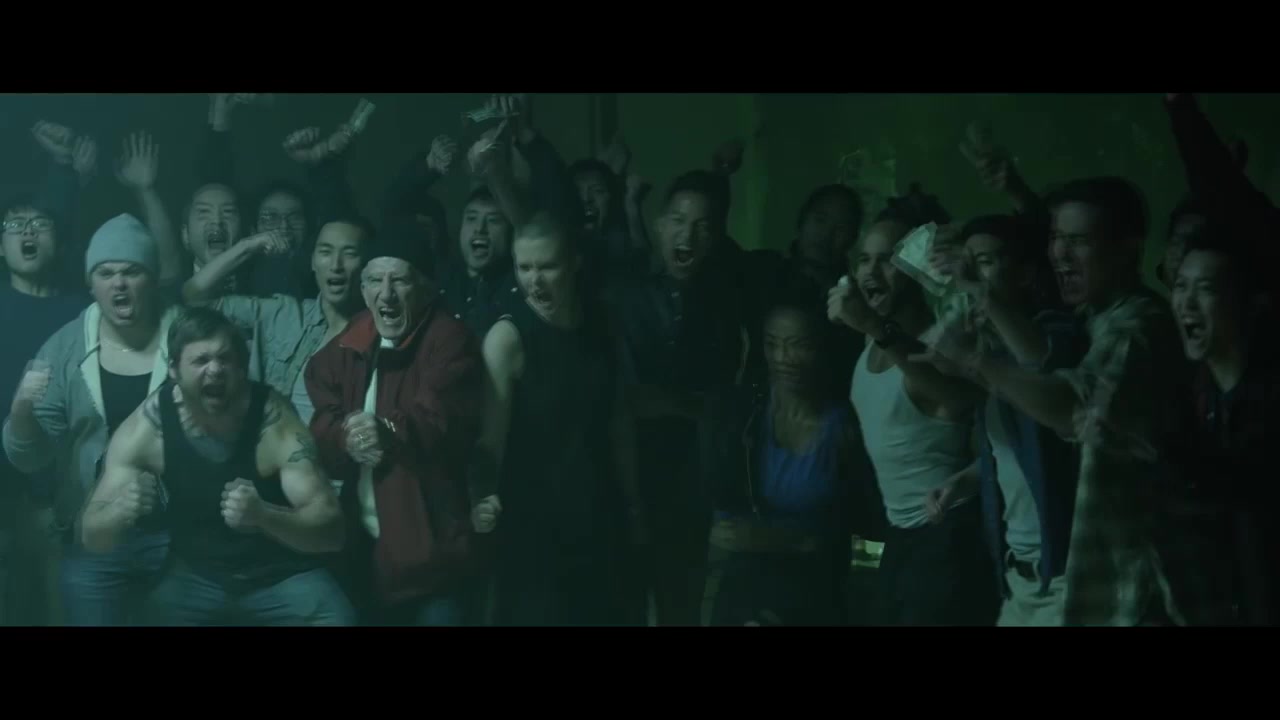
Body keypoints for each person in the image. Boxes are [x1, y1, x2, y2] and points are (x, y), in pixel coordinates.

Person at [950, 177, 1186, 626]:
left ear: (1129, 249)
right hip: (1077, 582)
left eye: (1078, 241)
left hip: (1132, 588)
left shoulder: (1137, 328)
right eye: (1057, 238)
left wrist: (977, 360)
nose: (1060, 253)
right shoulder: (1087, 318)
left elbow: (1073, 408)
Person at [80, 307, 351, 625]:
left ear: (241, 366)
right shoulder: (149, 427)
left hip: (280, 575)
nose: (215, 370)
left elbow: (332, 533)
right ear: (174, 370)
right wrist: (120, 511)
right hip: (197, 576)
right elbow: (91, 536)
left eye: (225, 359)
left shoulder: (273, 422)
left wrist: (265, 516)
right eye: (201, 360)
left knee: (337, 618)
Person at [3, 214, 177, 625]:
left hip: (180, 536)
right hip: (93, 534)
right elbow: (29, 457)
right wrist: (21, 412)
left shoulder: (189, 336)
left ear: (152, 278)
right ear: (91, 283)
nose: (119, 283)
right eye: (106, 273)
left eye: (131, 271)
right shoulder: (65, 347)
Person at [305, 228, 485, 626]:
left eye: (399, 280)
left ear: (427, 288)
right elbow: (321, 410)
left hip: (431, 560)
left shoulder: (450, 339)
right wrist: (345, 437)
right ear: (363, 288)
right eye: (374, 280)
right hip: (364, 553)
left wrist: (385, 430)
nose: (385, 294)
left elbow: (437, 420)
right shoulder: (355, 337)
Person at [828, 202, 994, 626]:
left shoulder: (935, 345)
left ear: (917, 268)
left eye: (887, 260)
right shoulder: (871, 342)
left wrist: (873, 326)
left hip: (946, 531)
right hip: (893, 534)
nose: (871, 272)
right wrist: (864, 561)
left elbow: (954, 398)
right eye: (864, 260)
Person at [474, 212, 644, 626]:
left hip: (599, 515)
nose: (534, 281)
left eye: (547, 267)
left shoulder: (602, 326)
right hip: (533, 528)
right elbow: (489, 442)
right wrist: (482, 500)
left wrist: (634, 504)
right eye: (524, 267)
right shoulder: (507, 339)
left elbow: (618, 422)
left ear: (574, 262)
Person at [920, 214, 1087, 626]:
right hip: (1018, 575)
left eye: (984, 262)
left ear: (1026, 273)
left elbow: (1042, 366)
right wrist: (965, 480)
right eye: (965, 264)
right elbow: (1016, 452)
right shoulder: (991, 349)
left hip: (1069, 577)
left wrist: (978, 310)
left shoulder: (1059, 331)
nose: (968, 276)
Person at [610, 169, 750, 626]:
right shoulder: (624, 297)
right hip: (622, 477)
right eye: (678, 220)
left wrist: (671, 403)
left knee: (680, 606)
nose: (687, 235)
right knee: (622, 606)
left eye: (702, 226)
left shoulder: (725, 308)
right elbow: (620, 397)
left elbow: (720, 401)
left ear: (716, 238)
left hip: (689, 485)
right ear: (659, 225)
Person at [700, 300, 882, 626]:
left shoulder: (846, 428)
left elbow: (871, 526)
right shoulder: (744, 416)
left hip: (819, 589)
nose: (783, 358)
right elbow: (721, 511)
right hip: (745, 587)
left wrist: (863, 585)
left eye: (799, 345)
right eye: (773, 344)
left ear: (821, 348)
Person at [0, 122, 98, 625]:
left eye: (38, 225)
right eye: (14, 225)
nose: (26, 232)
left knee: (60, 599)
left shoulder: (82, 313)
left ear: (58, 242)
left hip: (63, 485)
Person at [181, 216, 373, 426]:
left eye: (349, 254)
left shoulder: (375, 336)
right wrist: (248, 246)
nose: (336, 265)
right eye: (325, 252)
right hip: (266, 442)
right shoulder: (283, 313)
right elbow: (195, 296)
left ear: (367, 266)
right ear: (313, 261)